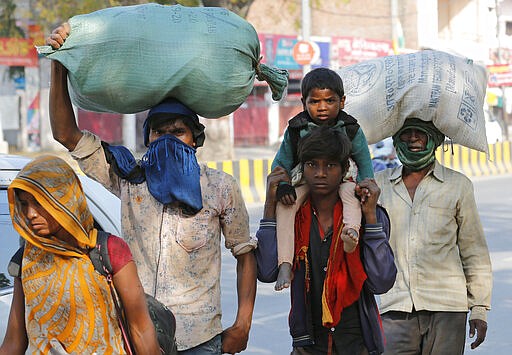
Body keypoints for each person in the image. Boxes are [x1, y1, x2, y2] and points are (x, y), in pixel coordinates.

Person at [46, 23, 257, 355]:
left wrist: (243, 324)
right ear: (148, 140)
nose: (168, 139)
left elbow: (245, 253)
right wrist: (59, 62)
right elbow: (66, 134)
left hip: (200, 339)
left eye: (178, 132)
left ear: (195, 140)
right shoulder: (128, 177)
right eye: (159, 132)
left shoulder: (220, 187)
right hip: (137, 336)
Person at [256, 126, 396, 354]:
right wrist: (270, 204)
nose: (320, 173)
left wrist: (370, 217)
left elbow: (381, 282)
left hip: (356, 342)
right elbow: (266, 271)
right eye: (312, 165)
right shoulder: (293, 214)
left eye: (330, 165)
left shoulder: (365, 214)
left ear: (343, 170)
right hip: (307, 345)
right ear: (302, 168)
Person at [0, 155, 160, 355]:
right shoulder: (26, 260)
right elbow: (14, 341)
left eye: (39, 202)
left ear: (63, 199)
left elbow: (141, 328)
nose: (30, 213)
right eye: (24, 204)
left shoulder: (107, 250)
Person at [374, 118, 493, 354]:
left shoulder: (458, 186)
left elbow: (473, 250)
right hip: (394, 306)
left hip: (448, 308)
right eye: (407, 133)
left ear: (435, 138)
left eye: (421, 132)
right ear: (397, 139)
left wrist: (479, 307)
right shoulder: (379, 186)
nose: (413, 138)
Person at [271, 67, 374, 291]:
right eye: (315, 102)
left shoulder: (350, 129)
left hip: (343, 177)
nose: (323, 107)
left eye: (330, 101)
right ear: (304, 102)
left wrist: (366, 184)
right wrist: (284, 186)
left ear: (342, 101)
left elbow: (364, 161)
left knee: (350, 196)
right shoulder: (297, 128)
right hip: (306, 179)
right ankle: (285, 264)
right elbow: (281, 162)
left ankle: (351, 232)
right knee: (286, 207)